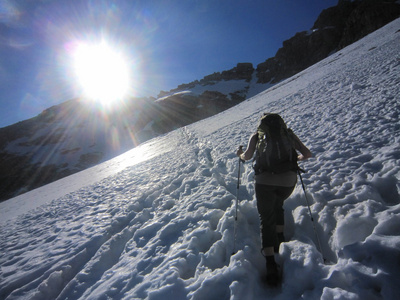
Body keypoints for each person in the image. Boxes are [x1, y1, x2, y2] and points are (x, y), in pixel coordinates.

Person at [236, 113, 312, 285]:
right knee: (278, 205)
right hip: (288, 181)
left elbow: (247, 157)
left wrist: (239, 154)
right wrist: (296, 159)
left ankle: (270, 263)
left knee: (266, 217)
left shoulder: (257, 136)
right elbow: (307, 154)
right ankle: (280, 240)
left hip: (265, 181)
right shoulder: (288, 134)